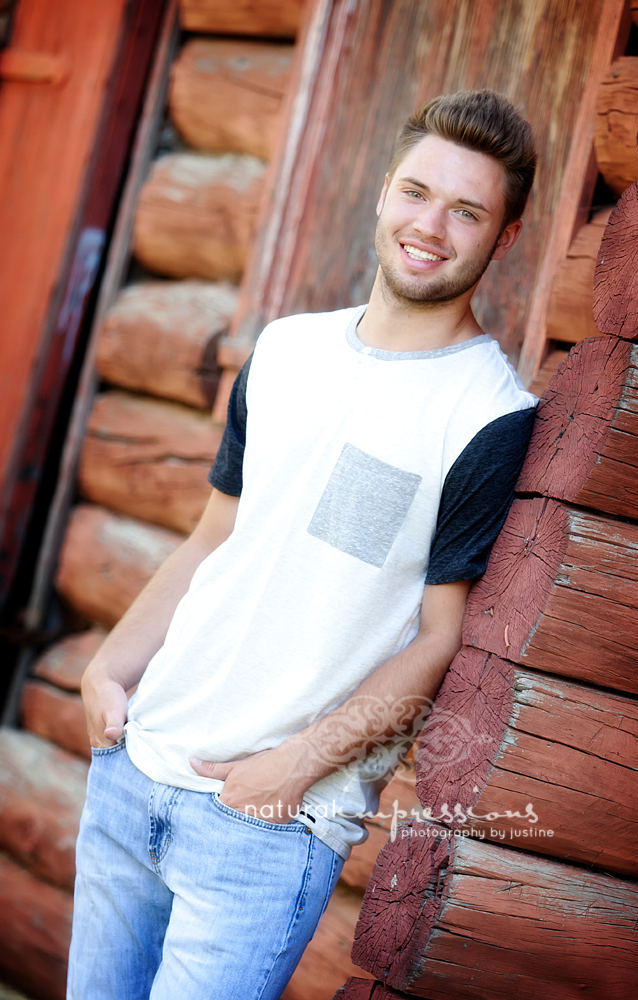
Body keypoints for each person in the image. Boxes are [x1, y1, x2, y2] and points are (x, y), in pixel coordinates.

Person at [69, 89, 538, 1000]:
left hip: (265, 828)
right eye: (416, 192)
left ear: (503, 239)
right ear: (381, 193)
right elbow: (216, 535)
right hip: (134, 775)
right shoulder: (284, 352)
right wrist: (107, 669)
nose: (430, 226)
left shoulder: (487, 416)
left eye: (467, 211)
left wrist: (294, 767)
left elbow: (439, 638)